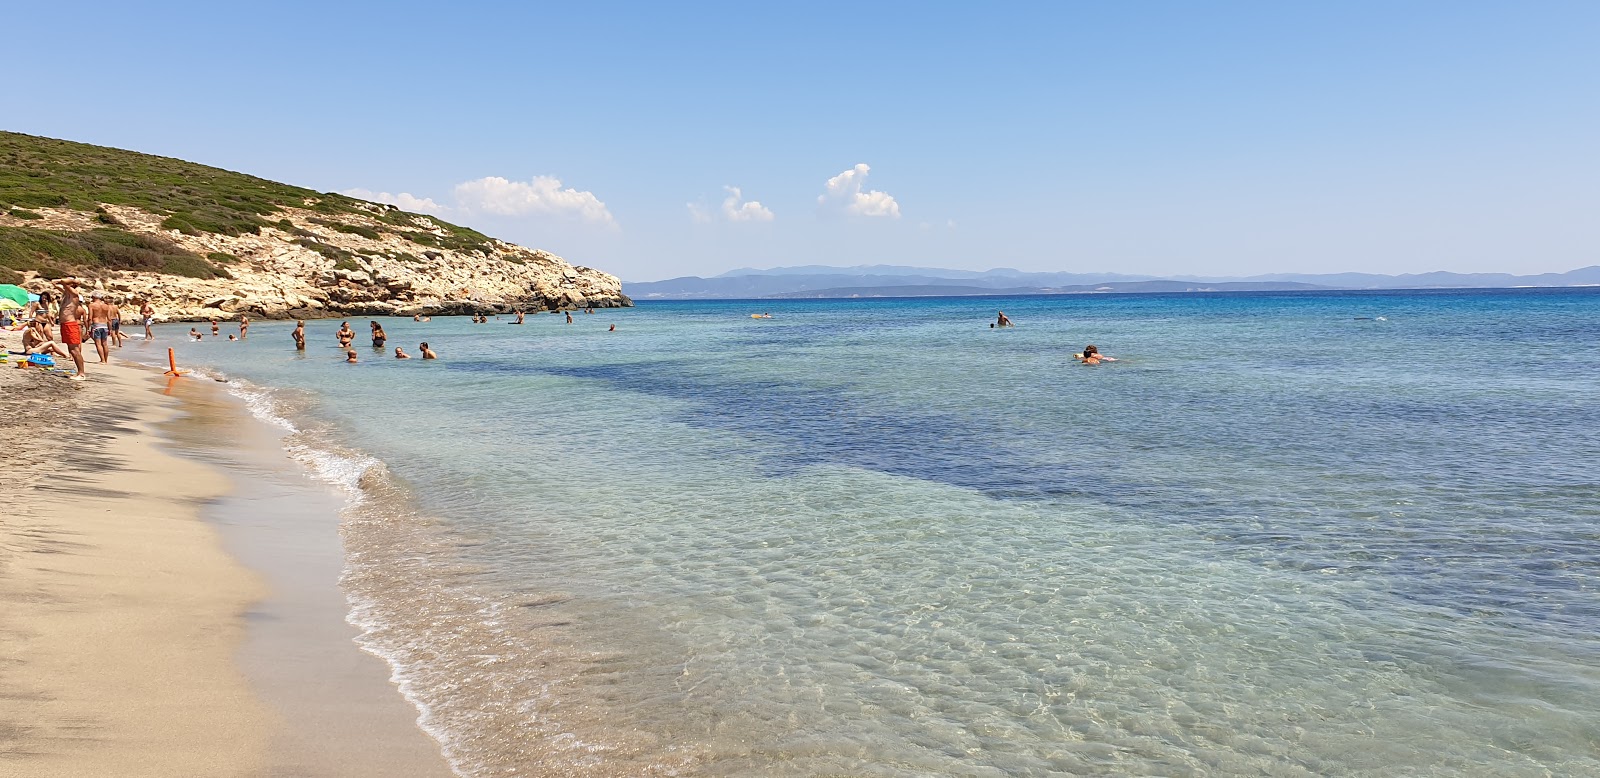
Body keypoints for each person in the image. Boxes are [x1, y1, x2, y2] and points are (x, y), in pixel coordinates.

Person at [55, 278, 87, 380]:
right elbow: (54, 282)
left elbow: (64, 283)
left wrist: (72, 280)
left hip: (70, 324)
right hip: (65, 324)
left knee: (74, 350)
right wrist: (63, 281)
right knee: (71, 349)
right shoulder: (66, 293)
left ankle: (81, 373)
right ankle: (79, 372)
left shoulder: (74, 293)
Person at [86, 291, 113, 364]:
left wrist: (88, 329)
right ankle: (106, 360)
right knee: (105, 343)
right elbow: (109, 319)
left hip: (96, 325)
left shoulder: (92, 305)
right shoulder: (106, 306)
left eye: (92, 297)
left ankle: (102, 360)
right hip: (104, 325)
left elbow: (90, 318)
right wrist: (110, 329)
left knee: (98, 343)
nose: (91, 299)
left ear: (94, 297)